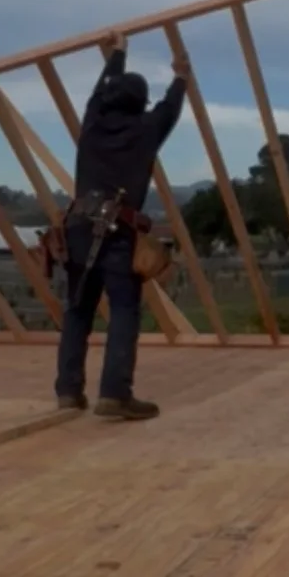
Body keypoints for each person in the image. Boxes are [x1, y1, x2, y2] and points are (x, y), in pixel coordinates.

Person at [53, 32, 190, 421]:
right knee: (124, 309)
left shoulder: (93, 124)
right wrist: (181, 76)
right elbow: (171, 108)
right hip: (116, 233)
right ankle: (114, 394)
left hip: (79, 228)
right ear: (140, 104)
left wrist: (118, 55)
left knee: (78, 309)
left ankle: (68, 392)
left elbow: (98, 92)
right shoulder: (146, 130)